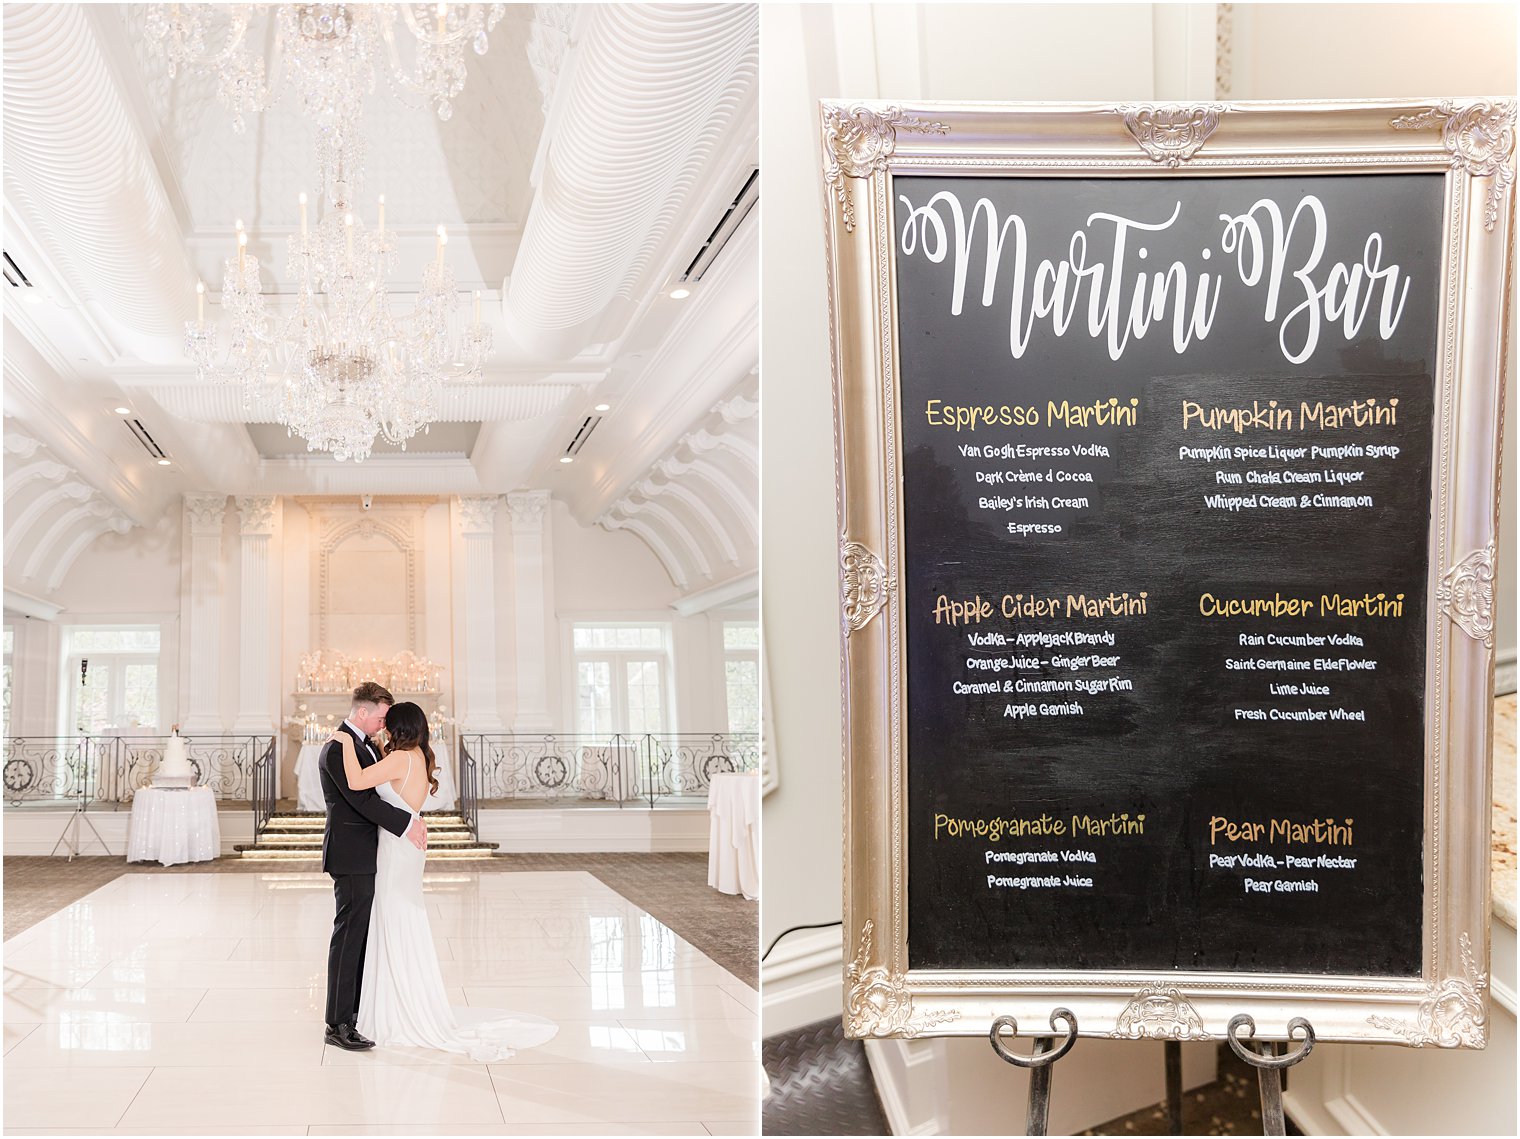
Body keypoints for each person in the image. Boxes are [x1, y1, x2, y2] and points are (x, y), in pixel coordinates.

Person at [329, 698, 558, 1060]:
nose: (384, 727)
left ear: (398, 727)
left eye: (389, 722)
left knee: (392, 918)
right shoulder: (418, 756)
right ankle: (396, 1002)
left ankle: (391, 1007)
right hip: (405, 848)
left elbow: (356, 781)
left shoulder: (398, 759)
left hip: (394, 849)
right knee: (403, 917)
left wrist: (343, 742)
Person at [319, 681, 427, 1052]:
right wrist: (407, 822)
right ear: (362, 712)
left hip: (368, 852)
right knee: (348, 938)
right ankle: (337, 1024)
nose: (384, 725)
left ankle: (352, 1014)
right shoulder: (338, 747)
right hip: (351, 853)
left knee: (360, 937)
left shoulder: (365, 745)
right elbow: (362, 800)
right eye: (380, 717)